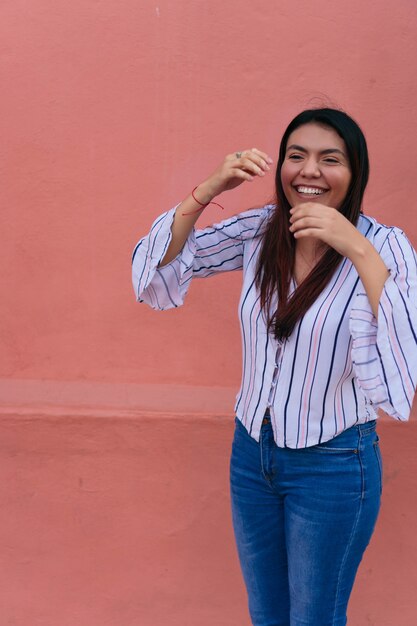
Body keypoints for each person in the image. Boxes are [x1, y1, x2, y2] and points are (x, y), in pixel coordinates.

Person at [131, 108, 417, 626]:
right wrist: (210, 186)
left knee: (314, 618)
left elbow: (400, 374)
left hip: (332, 464)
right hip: (251, 456)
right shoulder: (264, 230)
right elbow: (160, 269)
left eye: (330, 159)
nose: (309, 171)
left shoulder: (386, 245)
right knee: (267, 615)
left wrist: (353, 245)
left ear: (354, 175)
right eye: (295, 156)